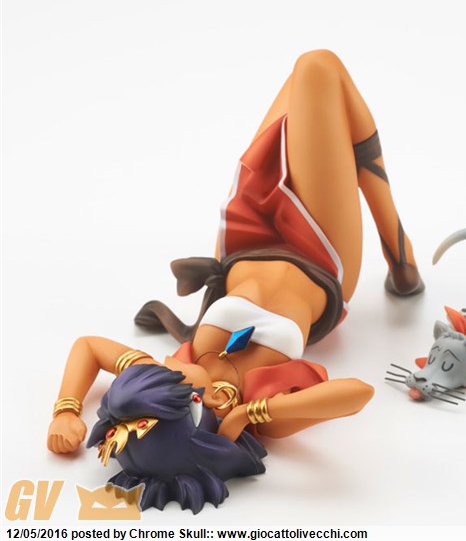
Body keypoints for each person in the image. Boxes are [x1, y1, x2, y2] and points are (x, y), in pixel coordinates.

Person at [47, 49, 424, 456]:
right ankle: (398, 250)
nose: (172, 373)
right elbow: (356, 393)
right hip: (321, 254)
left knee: (302, 86)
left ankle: (401, 257)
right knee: (317, 68)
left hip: (245, 238)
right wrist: (248, 414)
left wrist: (65, 411)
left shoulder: (166, 375)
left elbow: (88, 346)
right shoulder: (263, 411)